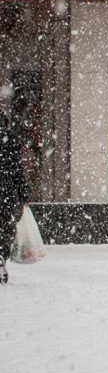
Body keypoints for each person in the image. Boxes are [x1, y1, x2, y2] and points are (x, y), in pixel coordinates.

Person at [0, 113, 29, 284]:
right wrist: (23, 192)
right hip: (5, 190)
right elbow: (16, 166)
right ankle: (1, 254)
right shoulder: (8, 136)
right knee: (4, 225)